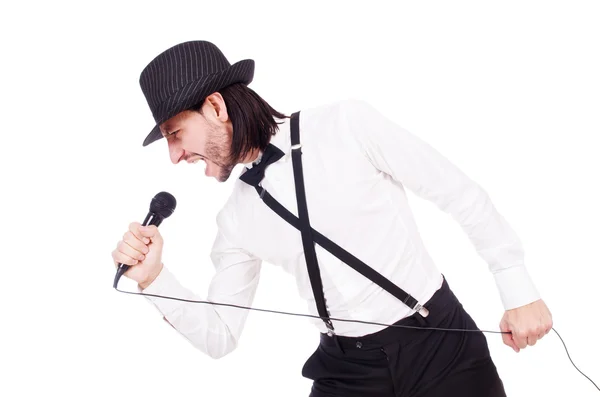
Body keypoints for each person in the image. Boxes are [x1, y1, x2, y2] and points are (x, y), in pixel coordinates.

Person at [111, 40, 553, 396]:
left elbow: (459, 194)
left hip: (441, 346)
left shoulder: (346, 125)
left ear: (215, 107)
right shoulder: (234, 221)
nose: (174, 156)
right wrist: (154, 280)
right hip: (347, 372)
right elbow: (220, 336)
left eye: (175, 134)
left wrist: (518, 289)